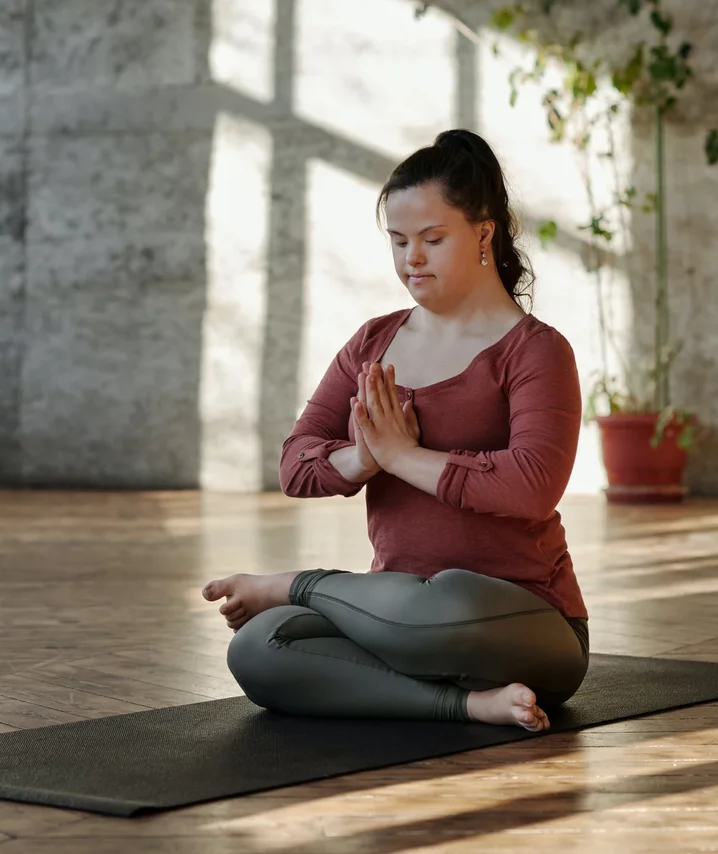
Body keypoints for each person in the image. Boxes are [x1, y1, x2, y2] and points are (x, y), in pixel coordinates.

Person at [201, 129, 588, 732]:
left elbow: (530, 485)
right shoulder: (373, 342)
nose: (412, 258)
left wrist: (403, 455)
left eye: (433, 240)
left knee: (443, 603)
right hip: (393, 610)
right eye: (399, 241)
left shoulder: (537, 351)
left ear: (484, 233)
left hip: (521, 621)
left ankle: (295, 586)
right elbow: (296, 465)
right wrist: (361, 460)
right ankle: (465, 705)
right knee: (258, 647)